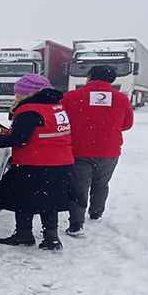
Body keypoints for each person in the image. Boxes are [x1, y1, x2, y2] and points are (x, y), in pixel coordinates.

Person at [0, 74, 77, 251]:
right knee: (49, 202)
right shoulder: (56, 107)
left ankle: (23, 234)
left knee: (23, 199)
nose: (16, 96)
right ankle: (51, 238)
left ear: (27, 93)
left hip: (34, 163)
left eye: (18, 93)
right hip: (60, 163)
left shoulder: (30, 110)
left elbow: (19, 139)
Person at [60, 65, 134, 236]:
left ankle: (76, 224)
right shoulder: (121, 99)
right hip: (109, 150)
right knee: (101, 184)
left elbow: (63, 121)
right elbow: (127, 124)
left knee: (79, 187)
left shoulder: (72, 97)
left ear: (90, 77)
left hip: (79, 150)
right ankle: (96, 212)